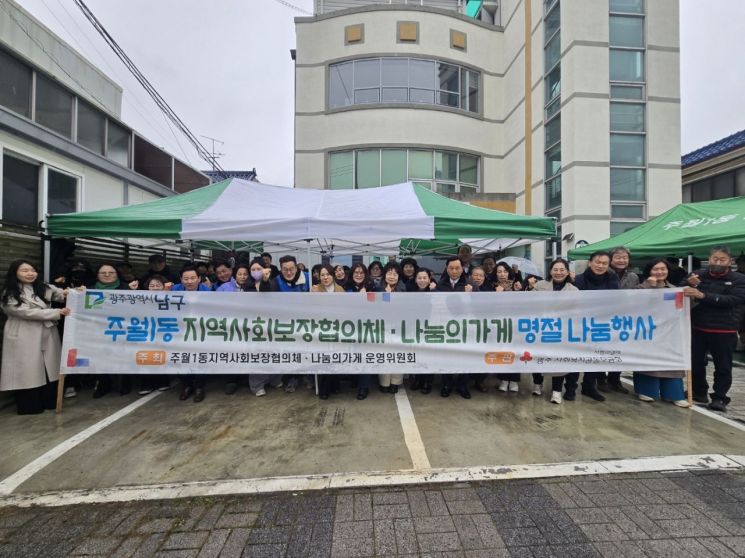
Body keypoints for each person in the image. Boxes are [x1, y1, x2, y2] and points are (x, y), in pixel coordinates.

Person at [1, 260, 70, 415]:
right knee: (27, 370)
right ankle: (30, 406)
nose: (30, 273)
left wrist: (73, 292)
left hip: (46, 332)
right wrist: (57, 312)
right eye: (25, 270)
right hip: (24, 333)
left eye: (32, 270)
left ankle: (49, 401)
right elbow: (24, 312)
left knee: (49, 368)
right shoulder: (10, 293)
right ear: (15, 273)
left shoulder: (42, 287)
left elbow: (61, 294)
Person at [683, 245, 745, 412]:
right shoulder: (697, 274)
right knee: (695, 362)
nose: (718, 262)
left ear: (730, 261)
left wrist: (703, 295)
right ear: (709, 259)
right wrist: (689, 283)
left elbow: (733, 300)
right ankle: (699, 391)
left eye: (722, 259)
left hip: (725, 329)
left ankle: (719, 397)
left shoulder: (739, 279)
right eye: (715, 259)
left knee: (723, 366)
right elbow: (680, 289)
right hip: (698, 327)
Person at [632, 258, 689, 407]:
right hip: (647, 331)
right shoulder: (640, 288)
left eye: (663, 269)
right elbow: (633, 304)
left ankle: (673, 394)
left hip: (669, 332)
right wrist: (648, 287)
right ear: (649, 271)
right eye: (656, 269)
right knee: (648, 361)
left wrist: (691, 295)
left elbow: (681, 309)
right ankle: (646, 390)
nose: (660, 272)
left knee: (671, 361)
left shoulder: (674, 289)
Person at [530, 258, 579, 404]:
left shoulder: (573, 290)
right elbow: (528, 303)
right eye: (555, 269)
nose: (558, 272)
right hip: (541, 328)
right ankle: (537, 383)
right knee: (538, 357)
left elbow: (578, 311)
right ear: (550, 271)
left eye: (562, 270)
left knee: (559, 360)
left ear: (567, 272)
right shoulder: (540, 286)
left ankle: (556, 391)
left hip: (561, 331)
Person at [573, 251, 619, 402]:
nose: (600, 266)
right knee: (577, 355)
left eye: (604, 263)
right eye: (598, 262)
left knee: (596, 356)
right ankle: (571, 387)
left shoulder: (612, 280)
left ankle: (589, 386)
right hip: (581, 324)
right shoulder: (578, 280)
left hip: (602, 324)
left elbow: (616, 300)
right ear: (590, 262)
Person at [91, 263, 139, 398]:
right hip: (99, 330)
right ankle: (103, 384)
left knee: (123, 356)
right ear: (97, 275)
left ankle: (125, 383)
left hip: (121, 328)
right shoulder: (91, 290)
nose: (107, 275)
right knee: (101, 357)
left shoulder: (125, 288)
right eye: (103, 273)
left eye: (111, 273)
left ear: (117, 275)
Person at [596, 247, 639, 394]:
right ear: (611, 259)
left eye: (625, 257)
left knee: (619, 350)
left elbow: (638, 295)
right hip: (603, 318)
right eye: (618, 257)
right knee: (602, 349)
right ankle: (600, 380)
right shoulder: (602, 273)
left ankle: (615, 379)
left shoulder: (633, 277)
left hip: (623, 319)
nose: (622, 260)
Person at [435, 256, 474, 398]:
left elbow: (479, 306)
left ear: (462, 269)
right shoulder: (440, 285)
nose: (454, 271)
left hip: (464, 328)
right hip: (445, 327)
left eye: (457, 268)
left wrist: (471, 295)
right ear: (446, 269)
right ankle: (447, 384)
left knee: (465, 357)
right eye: (451, 268)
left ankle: (462, 385)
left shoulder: (469, 285)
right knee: (446, 356)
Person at [174, 265, 211, 403]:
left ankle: (199, 387)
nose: (189, 281)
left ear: (199, 279)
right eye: (186, 278)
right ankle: (187, 385)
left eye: (193, 278)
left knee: (200, 359)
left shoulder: (208, 292)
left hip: (200, 331)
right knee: (181, 359)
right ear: (181, 280)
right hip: (180, 331)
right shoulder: (174, 290)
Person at [312, 265, 345, 399]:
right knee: (324, 358)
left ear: (333, 275)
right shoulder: (315, 290)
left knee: (335, 357)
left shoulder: (340, 290)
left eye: (328, 274)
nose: (325, 277)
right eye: (322, 275)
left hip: (337, 328)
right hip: (321, 329)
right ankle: (324, 388)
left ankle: (335, 384)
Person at [137, 275, 173, 395]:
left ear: (164, 286)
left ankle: (163, 381)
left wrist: (167, 293)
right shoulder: (141, 299)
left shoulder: (171, 298)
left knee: (160, 356)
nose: (155, 288)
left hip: (164, 332)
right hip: (146, 332)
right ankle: (146, 383)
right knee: (145, 356)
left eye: (158, 285)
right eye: (152, 286)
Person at [376, 262, 407, 394]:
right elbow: (377, 308)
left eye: (395, 274)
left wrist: (390, 296)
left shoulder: (403, 290)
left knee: (398, 354)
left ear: (399, 276)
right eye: (389, 273)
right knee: (384, 354)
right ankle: (384, 383)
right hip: (383, 327)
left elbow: (403, 309)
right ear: (384, 275)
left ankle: (395, 382)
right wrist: (386, 295)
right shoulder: (378, 289)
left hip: (399, 327)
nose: (392, 276)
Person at [492, 262, 522, 393]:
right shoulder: (492, 287)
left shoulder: (516, 286)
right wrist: (496, 295)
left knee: (515, 352)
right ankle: (503, 379)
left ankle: (514, 380)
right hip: (500, 325)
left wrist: (518, 291)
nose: (502, 274)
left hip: (514, 325)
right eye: (499, 272)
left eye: (504, 271)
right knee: (502, 351)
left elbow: (522, 304)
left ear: (509, 273)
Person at [407, 268, 437, 394]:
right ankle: (418, 379)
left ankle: (427, 382)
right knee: (417, 356)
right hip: (415, 329)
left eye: (425, 278)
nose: (422, 280)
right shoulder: (411, 293)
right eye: (419, 278)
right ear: (415, 279)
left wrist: (434, 292)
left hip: (430, 329)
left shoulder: (436, 291)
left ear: (429, 279)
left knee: (428, 356)